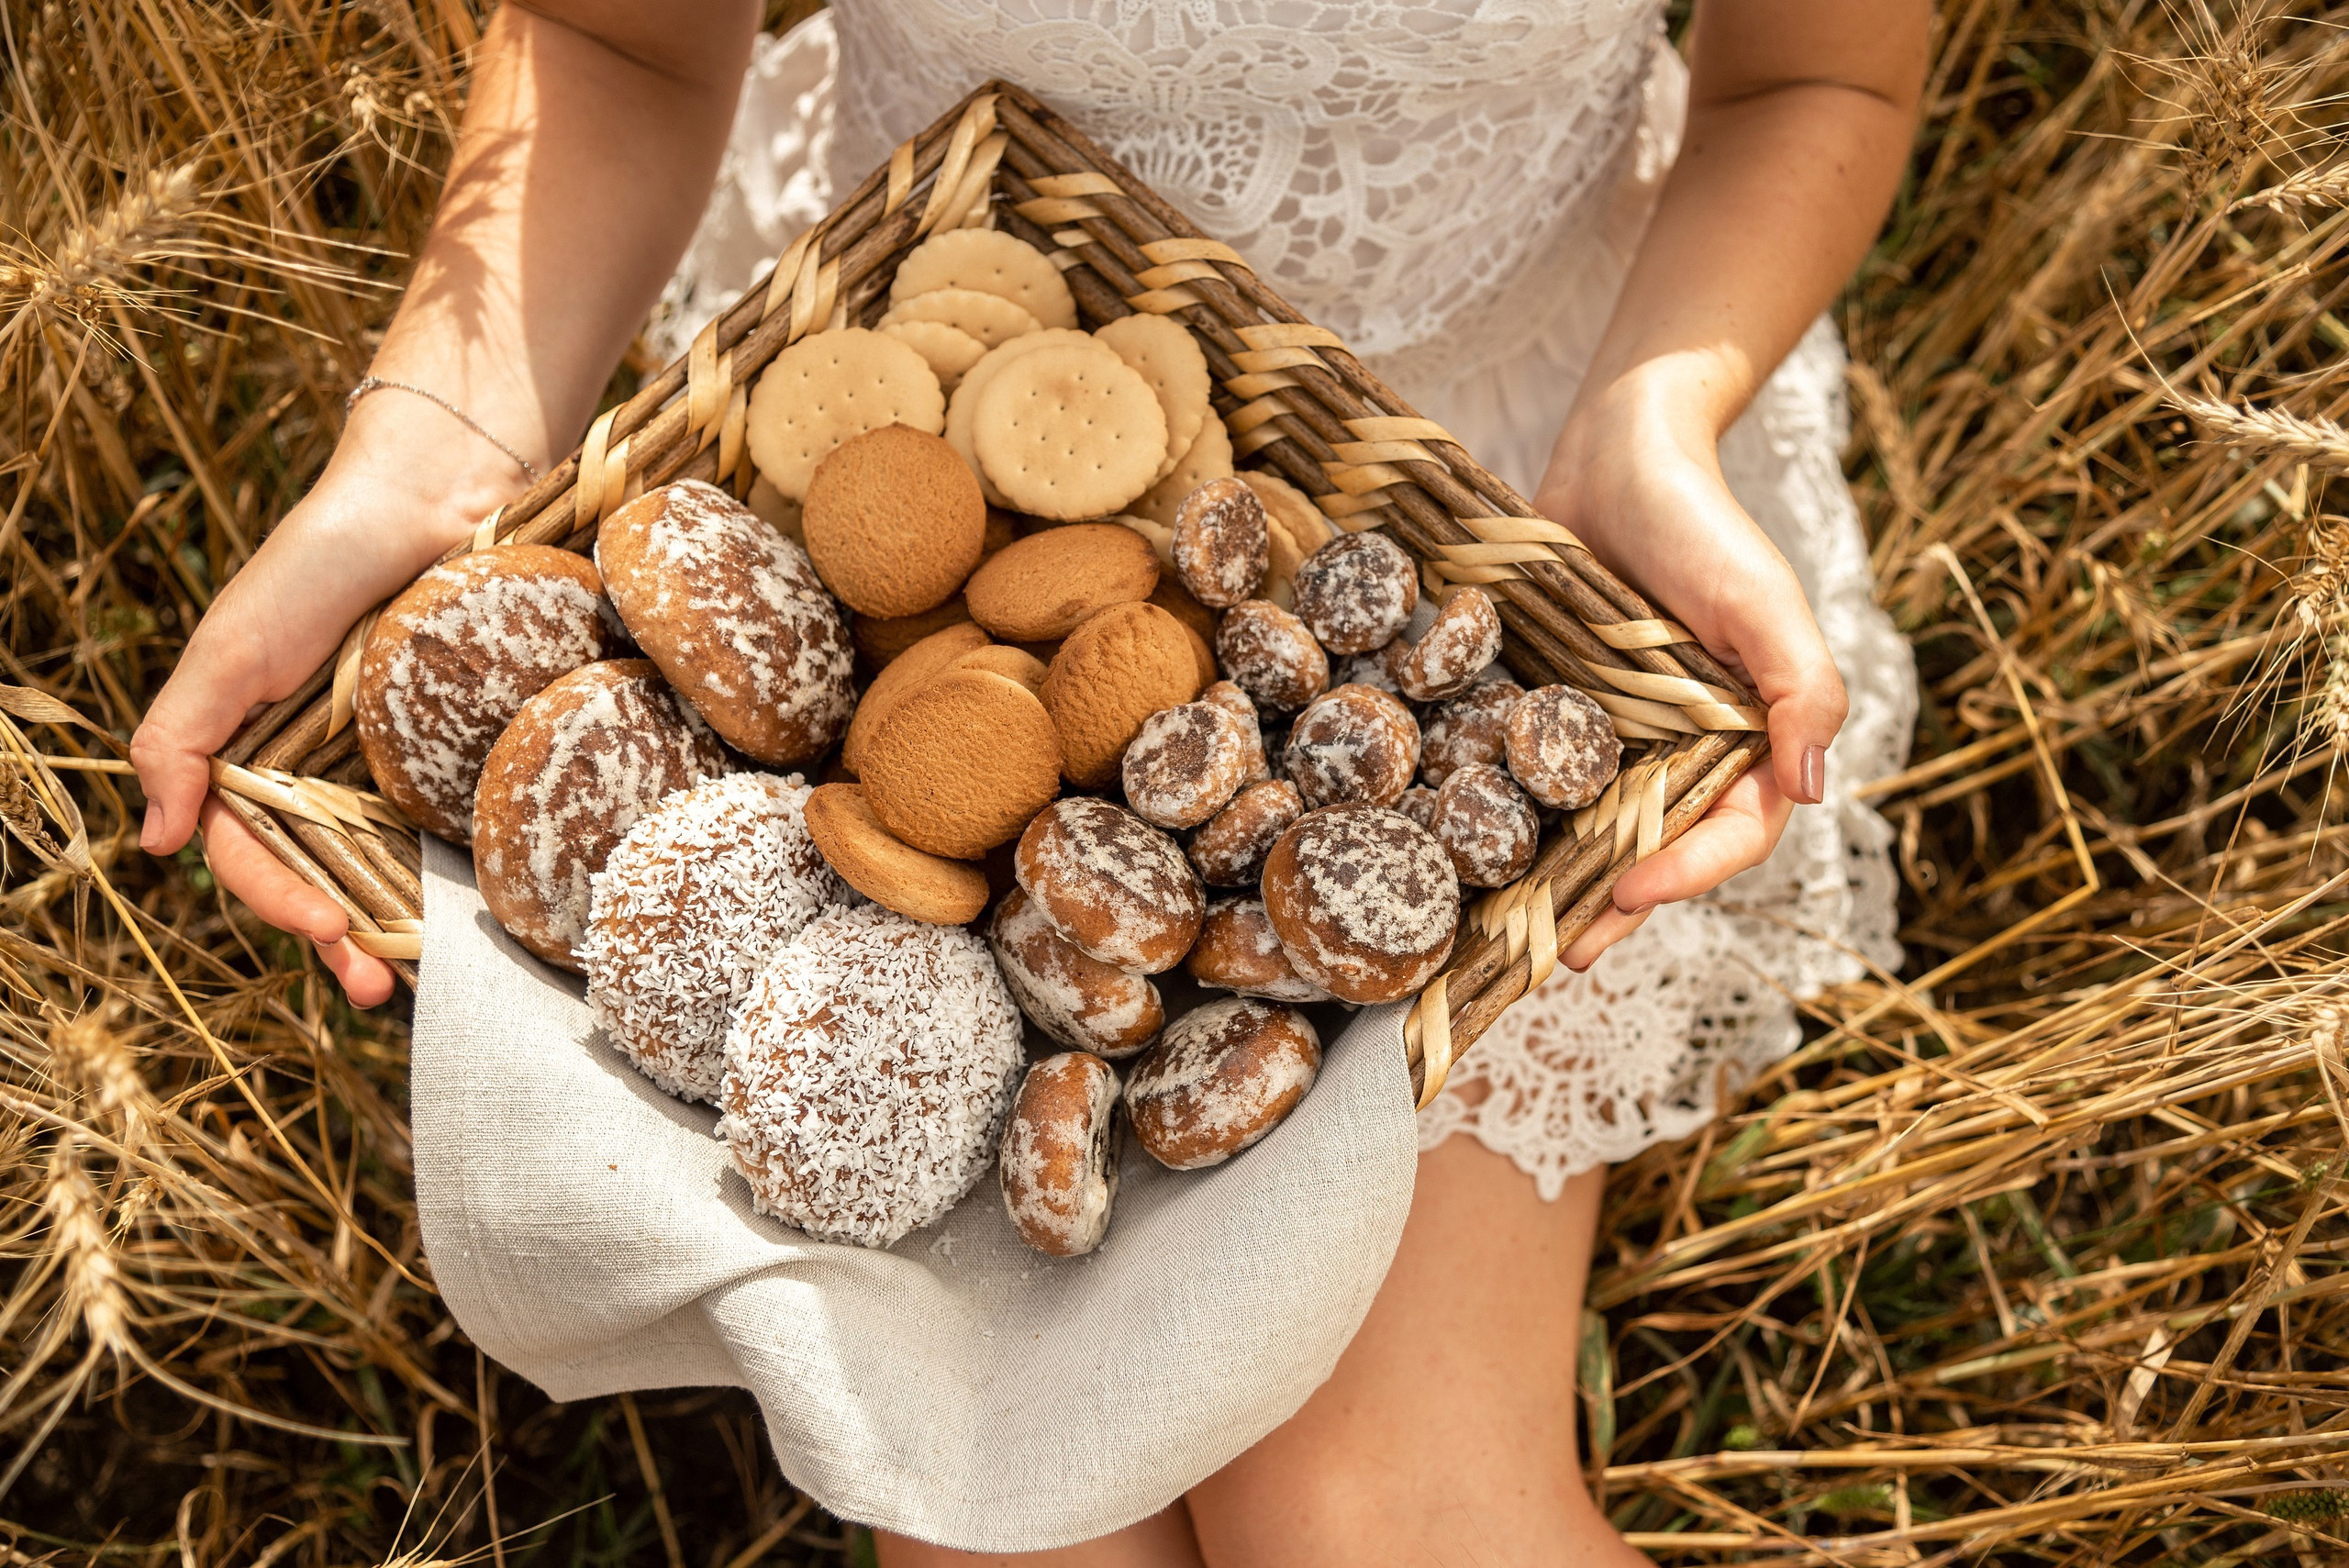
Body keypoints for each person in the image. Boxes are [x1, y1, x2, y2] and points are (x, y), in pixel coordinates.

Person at [131, 1, 1928, 1561]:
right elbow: (613, 33)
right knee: (1024, 1519)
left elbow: (1813, 80)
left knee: (1366, 1522)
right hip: (920, 385)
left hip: (1499, 518)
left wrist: (1649, 424)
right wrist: (428, 456)